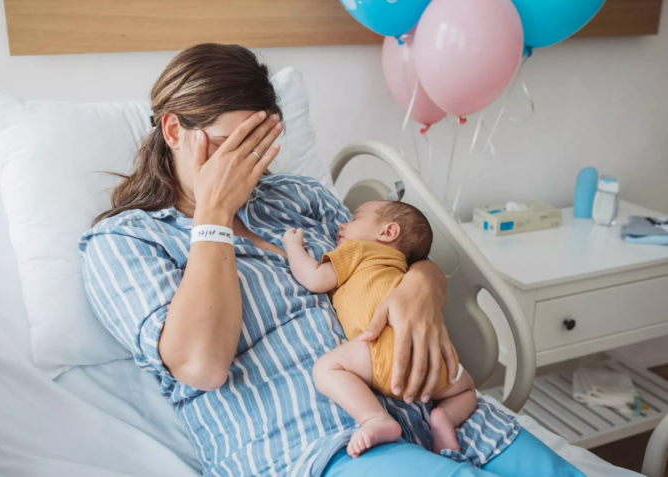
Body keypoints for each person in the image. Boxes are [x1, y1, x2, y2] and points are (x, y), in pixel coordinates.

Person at [79, 43, 585, 477]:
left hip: (434, 411)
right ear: (173, 131)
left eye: (261, 150)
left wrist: (425, 286)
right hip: (319, 446)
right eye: (230, 149)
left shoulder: (298, 197)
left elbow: (385, 254)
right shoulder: (126, 242)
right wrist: (214, 212)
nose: (247, 170)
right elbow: (201, 366)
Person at [282, 200, 477, 458]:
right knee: (467, 389)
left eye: (354, 218)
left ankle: (375, 418)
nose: (342, 224)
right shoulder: (404, 269)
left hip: (378, 355)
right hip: (431, 363)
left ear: (387, 232)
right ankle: (444, 417)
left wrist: (293, 247)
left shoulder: (358, 249)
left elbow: (315, 277)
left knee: (325, 368)